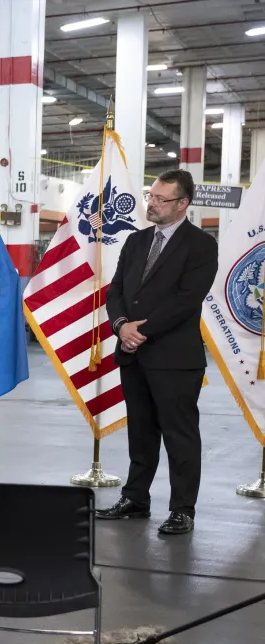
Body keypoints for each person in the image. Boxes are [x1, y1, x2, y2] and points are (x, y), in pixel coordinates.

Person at [97, 169, 219, 535]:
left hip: (174, 359)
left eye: (160, 199)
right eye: (150, 196)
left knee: (179, 435)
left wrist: (141, 332)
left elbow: (186, 301)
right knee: (141, 431)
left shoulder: (201, 246)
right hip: (133, 354)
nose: (151, 204)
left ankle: (183, 509)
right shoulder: (135, 242)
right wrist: (121, 326)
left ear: (183, 203)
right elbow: (116, 290)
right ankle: (136, 499)